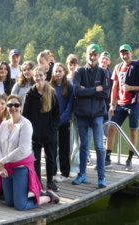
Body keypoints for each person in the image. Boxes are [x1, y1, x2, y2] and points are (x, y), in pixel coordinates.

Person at [0, 94, 59, 211]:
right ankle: (25, 194)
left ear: (21, 106)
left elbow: (22, 149)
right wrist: (0, 166)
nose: (13, 107)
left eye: (16, 105)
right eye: (10, 105)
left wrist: (2, 161)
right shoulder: (3, 125)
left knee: (20, 205)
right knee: (9, 202)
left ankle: (47, 197)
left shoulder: (26, 124)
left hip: (20, 167)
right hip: (6, 168)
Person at [106, 44, 139, 171]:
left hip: (134, 104)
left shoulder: (138, 68)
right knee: (111, 129)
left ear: (131, 53)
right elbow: (114, 88)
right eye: (122, 53)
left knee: (133, 131)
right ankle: (107, 158)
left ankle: (129, 160)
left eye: (127, 53)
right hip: (120, 104)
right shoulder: (118, 67)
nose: (124, 56)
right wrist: (112, 104)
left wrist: (131, 88)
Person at [72, 44, 110, 188]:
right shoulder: (79, 71)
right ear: (86, 55)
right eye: (90, 54)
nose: (92, 57)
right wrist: (95, 89)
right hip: (82, 114)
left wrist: (86, 90)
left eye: (95, 55)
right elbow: (76, 91)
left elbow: (105, 93)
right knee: (84, 145)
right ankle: (82, 174)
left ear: (98, 56)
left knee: (100, 147)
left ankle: (102, 177)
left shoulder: (103, 72)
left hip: (98, 114)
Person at [23, 66, 61, 191]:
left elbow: (56, 114)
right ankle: (38, 182)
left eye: (40, 75)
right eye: (36, 76)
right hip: (35, 133)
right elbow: (25, 114)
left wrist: (52, 129)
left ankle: (50, 181)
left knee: (50, 158)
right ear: (33, 78)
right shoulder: (30, 93)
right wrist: (31, 130)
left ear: (45, 76)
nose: (38, 78)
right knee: (36, 159)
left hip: (49, 132)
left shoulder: (52, 92)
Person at [50, 63, 74, 183]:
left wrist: (62, 119)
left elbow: (70, 105)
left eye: (60, 71)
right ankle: (53, 171)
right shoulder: (50, 87)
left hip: (64, 122)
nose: (57, 73)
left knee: (64, 147)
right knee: (52, 146)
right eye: (55, 71)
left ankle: (65, 172)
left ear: (64, 72)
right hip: (52, 122)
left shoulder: (69, 87)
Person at [65, 54, 81, 177]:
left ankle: (75, 166)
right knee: (66, 140)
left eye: (75, 64)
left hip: (78, 111)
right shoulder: (65, 79)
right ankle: (65, 165)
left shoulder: (80, 77)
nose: (72, 66)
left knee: (78, 140)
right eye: (70, 64)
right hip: (67, 111)